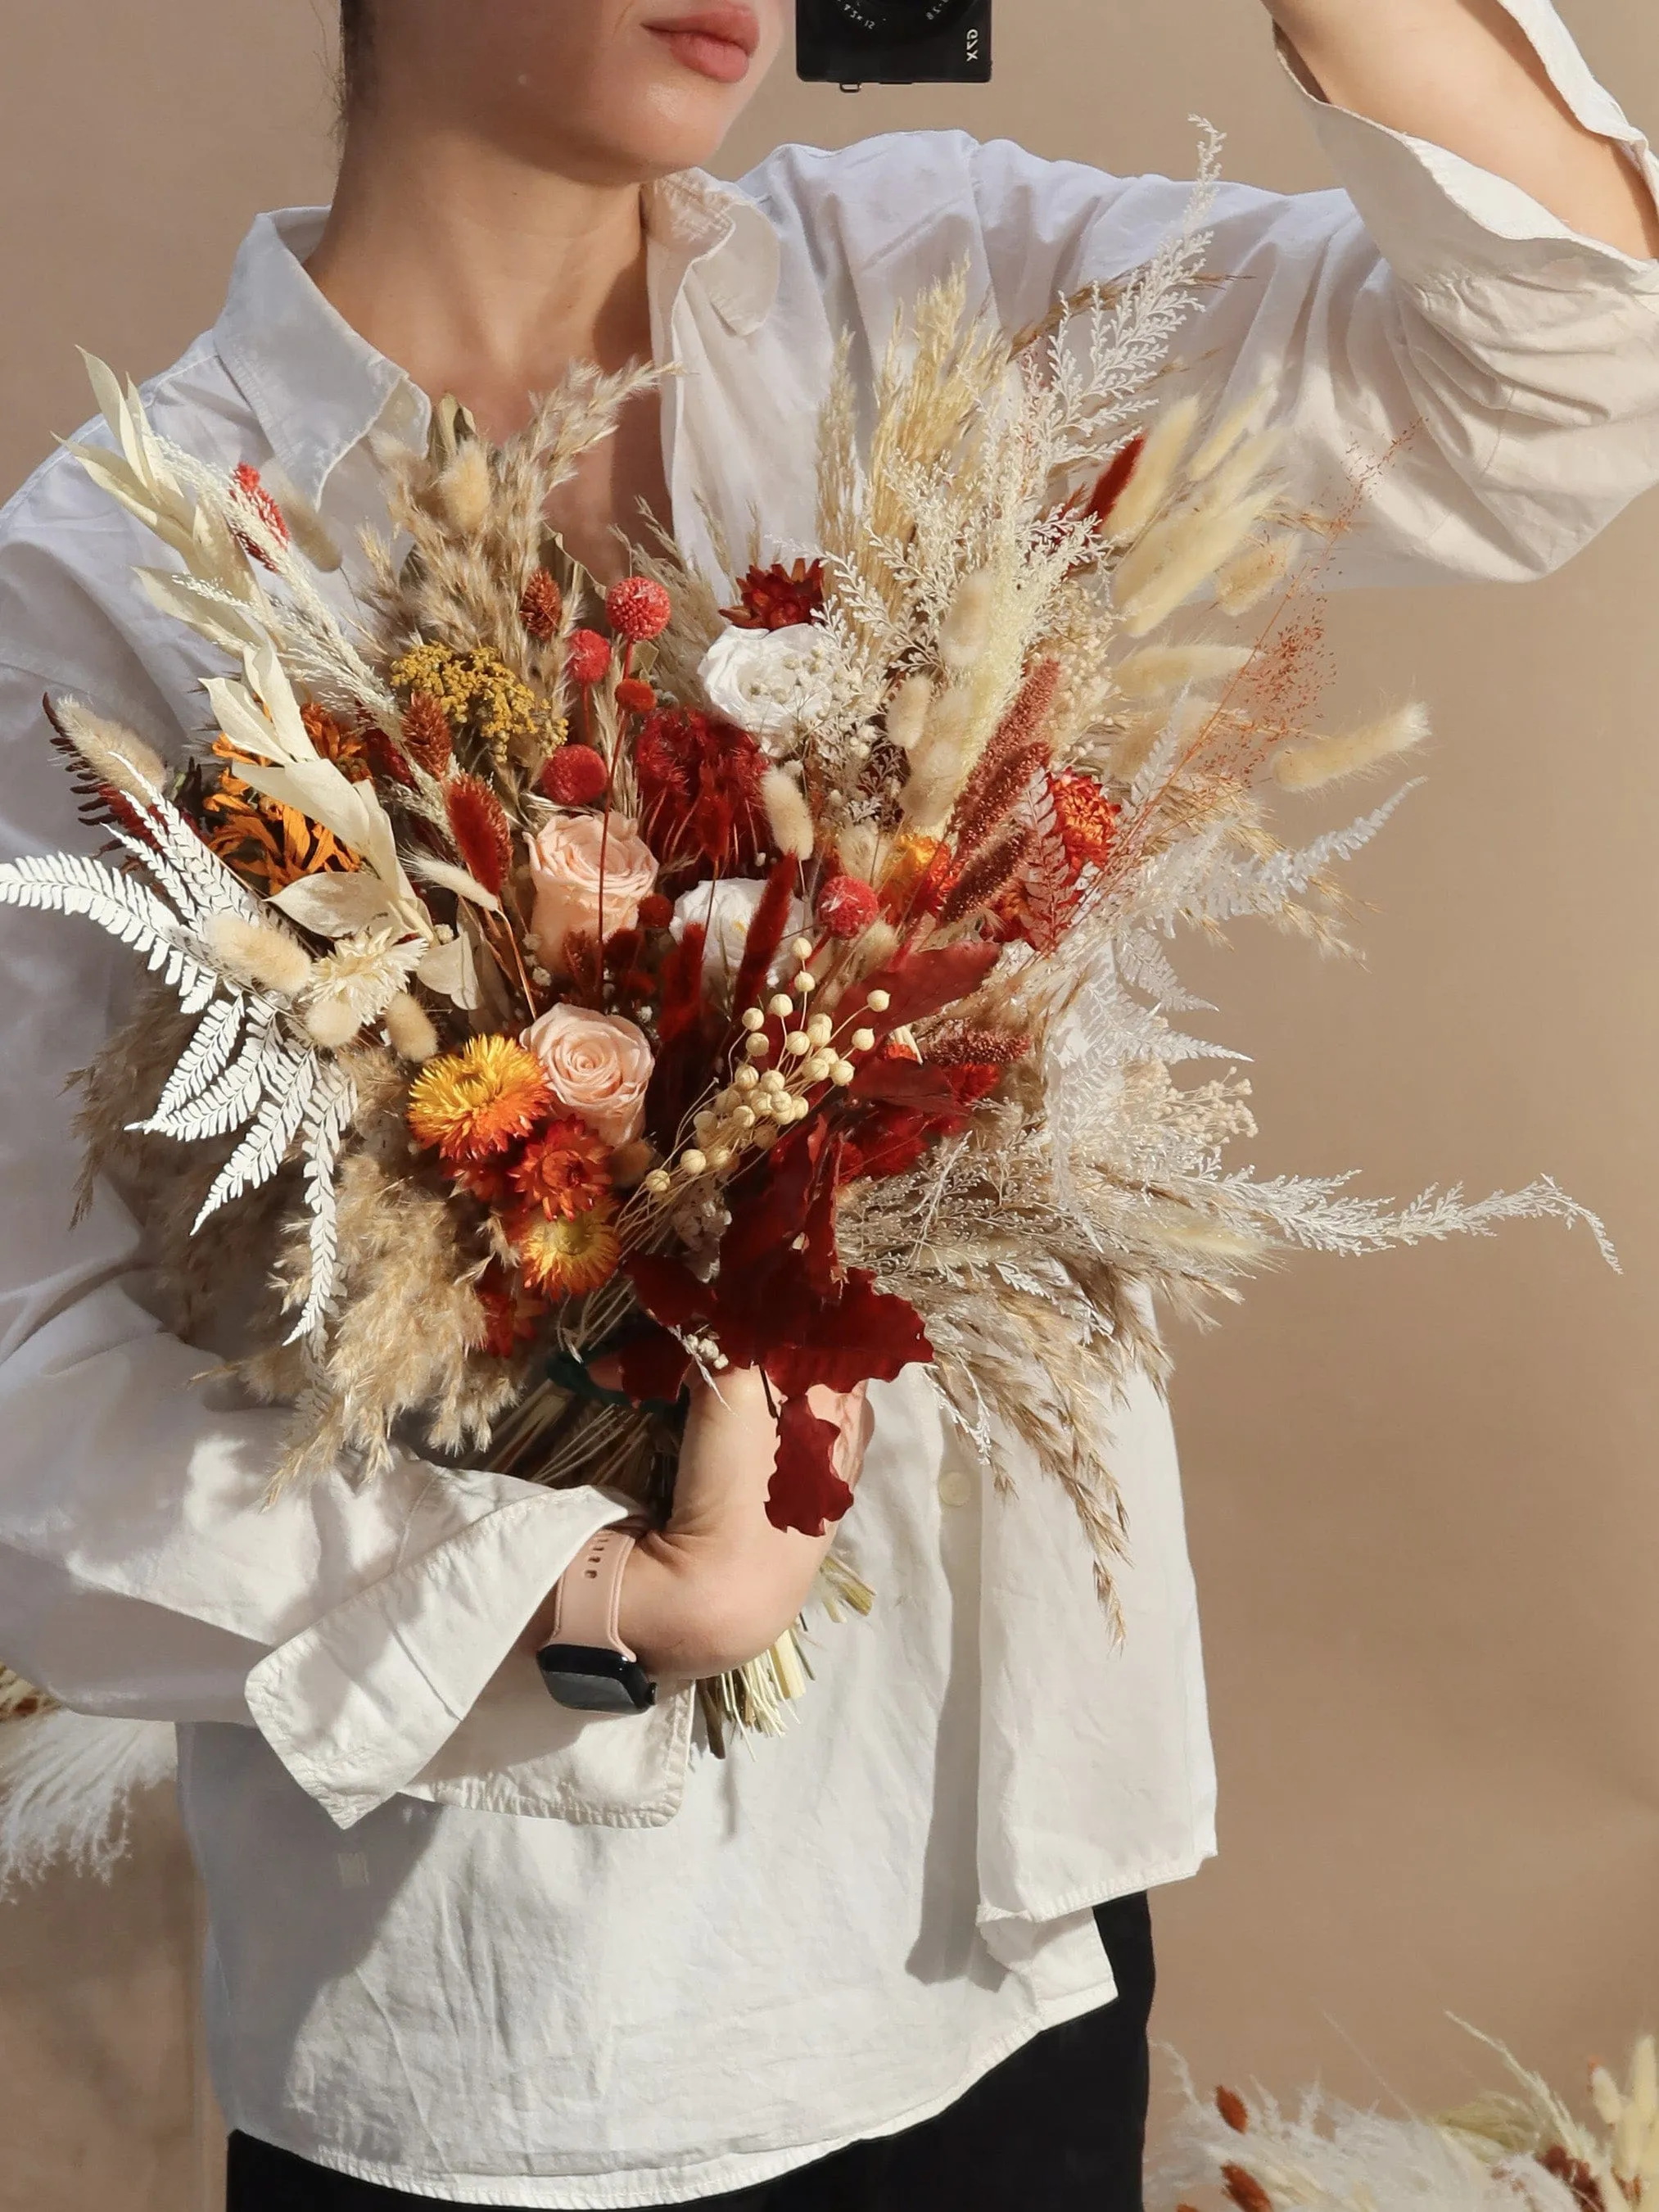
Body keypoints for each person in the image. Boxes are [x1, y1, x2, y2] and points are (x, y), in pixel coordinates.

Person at [0, 2, 1656, 2206]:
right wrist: (593, 1587)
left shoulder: (927, 301)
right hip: (515, 2035)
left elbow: (1561, 372)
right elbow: (34, 1387)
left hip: (1000, 1939)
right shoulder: (126, 576)